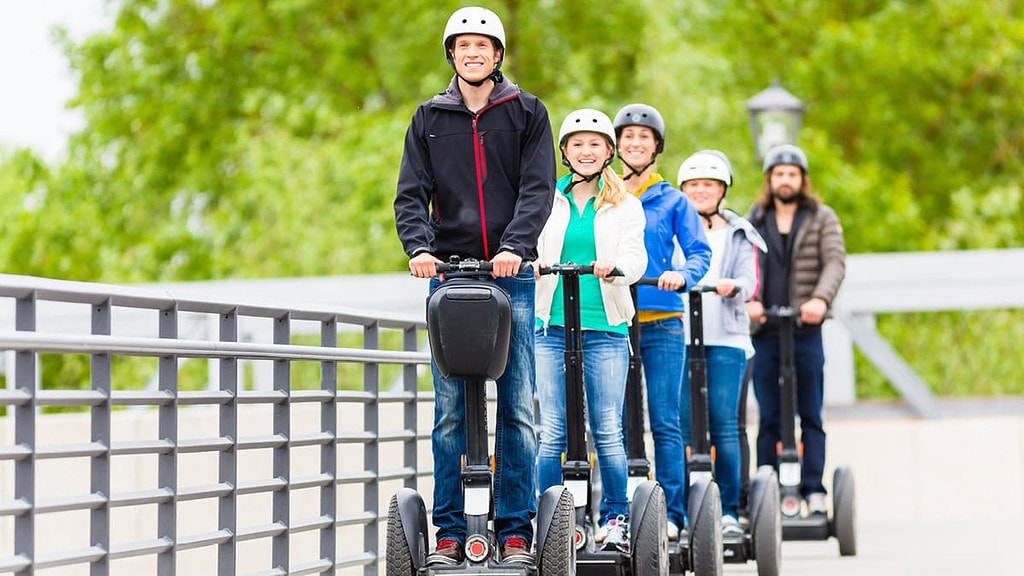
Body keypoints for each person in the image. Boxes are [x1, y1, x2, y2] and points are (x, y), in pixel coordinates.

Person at [393, 6, 556, 564]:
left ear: (498, 55)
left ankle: (514, 528)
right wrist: (419, 249)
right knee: (449, 412)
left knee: (517, 407)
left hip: (512, 278)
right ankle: (449, 531)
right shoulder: (428, 117)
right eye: (462, 47)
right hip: (450, 279)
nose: (472, 54)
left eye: (482, 47)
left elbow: (539, 189)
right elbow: (410, 193)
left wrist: (516, 247)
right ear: (451, 55)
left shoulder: (527, 112)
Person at [534, 109, 648, 551]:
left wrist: (615, 268)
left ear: (608, 152)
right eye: (577, 144)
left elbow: (636, 258)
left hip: (605, 327)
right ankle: (547, 518)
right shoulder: (546, 198)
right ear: (564, 151)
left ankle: (615, 517)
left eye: (595, 144)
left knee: (606, 429)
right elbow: (527, 243)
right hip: (552, 325)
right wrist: (533, 262)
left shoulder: (624, 204)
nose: (586, 151)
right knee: (553, 431)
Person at [612, 103, 711, 539]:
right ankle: (612, 511)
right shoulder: (603, 194)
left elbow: (699, 253)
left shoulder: (674, 200)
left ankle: (670, 513)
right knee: (611, 419)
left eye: (643, 138)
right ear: (616, 146)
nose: (635, 144)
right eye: (628, 137)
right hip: (614, 318)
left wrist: (681, 275)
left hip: (662, 319)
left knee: (664, 419)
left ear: (656, 147)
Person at [745, 144, 846, 516]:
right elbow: (743, 267)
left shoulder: (821, 217)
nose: (785, 180)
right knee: (768, 414)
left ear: (802, 180)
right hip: (766, 329)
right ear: (769, 180)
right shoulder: (753, 219)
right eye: (778, 174)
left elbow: (835, 262)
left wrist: (819, 300)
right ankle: (766, 490)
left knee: (811, 414)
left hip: (805, 330)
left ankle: (814, 489)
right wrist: (749, 301)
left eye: (791, 174)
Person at [676, 150, 766, 537]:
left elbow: (750, 278)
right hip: (677, 336)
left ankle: (730, 509)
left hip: (726, 337)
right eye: (694, 185)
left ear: (722, 190)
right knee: (677, 425)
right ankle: (675, 512)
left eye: (708, 185)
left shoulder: (739, 232)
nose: (700, 191)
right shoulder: (673, 226)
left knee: (723, 424)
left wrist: (736, 287)